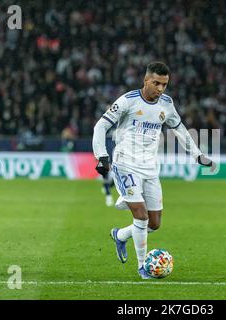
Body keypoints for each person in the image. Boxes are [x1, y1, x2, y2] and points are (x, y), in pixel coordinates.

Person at [92, 62, 215, 279]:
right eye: (156, 83)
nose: (160, 88)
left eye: (164, 84)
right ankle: (142, 267)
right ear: (146, 80)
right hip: (125, 163)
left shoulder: (166, 104)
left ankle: (120, 235)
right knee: (140, 215)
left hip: (150, 168)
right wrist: (102, 156)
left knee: (154, 223)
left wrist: (197, 154)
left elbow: (180, 130)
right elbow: (100, 126)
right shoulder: (128, 101)